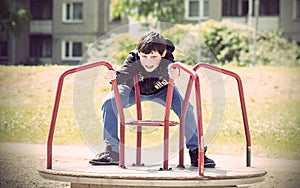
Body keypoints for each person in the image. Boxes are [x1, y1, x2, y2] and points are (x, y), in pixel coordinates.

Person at [89, 31, 215, 168]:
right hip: (133, 89)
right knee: (109, 102)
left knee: (187, 108)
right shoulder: (133, 58)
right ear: (139, 52)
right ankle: (112, 151)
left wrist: (174, 72)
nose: (148, 61)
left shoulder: (167, 57)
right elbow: (122, 76)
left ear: (162, 53)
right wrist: (113, 75)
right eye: (144, 56)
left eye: (154, 57)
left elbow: (172, 68)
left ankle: (196, 151)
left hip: (162, 90)